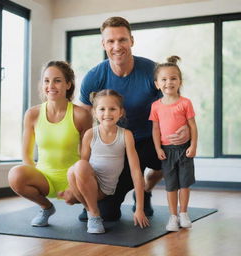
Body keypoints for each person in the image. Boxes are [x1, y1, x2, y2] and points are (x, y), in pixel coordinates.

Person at [77, 16, 190, 221]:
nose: (117, 46)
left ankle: (145, 190)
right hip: (116, 143)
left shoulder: (152, 71)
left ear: (132, 40)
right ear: (103, 44)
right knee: (108, 214)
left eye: (122, 40)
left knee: (173, 153)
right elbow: (86, 121)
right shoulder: (94, 77)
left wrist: (184, 129)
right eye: (110, 41)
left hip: (151, 138)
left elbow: (172, 106)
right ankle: (97, 204)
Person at [8, 61, 91, 227]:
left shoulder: (80, 114)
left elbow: (87, 155)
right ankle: (46, 207)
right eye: (46, 81)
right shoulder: (32, 114)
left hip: (73, 178)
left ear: (68, 84)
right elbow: (27, 155)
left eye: (57, 80)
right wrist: (31, 173)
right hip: (44, 179)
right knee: (15, 175)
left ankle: (91, 210)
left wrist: (75, 186)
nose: (51, 86)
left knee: (107, 211)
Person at [59, 89, 149, 233]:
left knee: (107, 212)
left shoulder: (126, 135)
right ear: (95, 112)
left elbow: (136, 171)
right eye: (102, 109)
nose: (107, 113)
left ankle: (89, 208)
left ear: (121, 112)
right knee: (74, 169)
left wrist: (139, 208)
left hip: (105, 189)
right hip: (89, 181)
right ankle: (93, 214)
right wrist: (72, 187)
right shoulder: (90, 134)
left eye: (112, 109)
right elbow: (82, 168)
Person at [149, 56, 198, 232]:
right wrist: (157, 148)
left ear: (180, 82)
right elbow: (155, 129)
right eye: (164, 79)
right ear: (157, 84)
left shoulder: (185, 103)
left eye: (173, 78)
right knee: (171, 185)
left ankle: (184, 213)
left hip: (184, 150)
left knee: (184, 184)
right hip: (167, 151)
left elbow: (192, 126)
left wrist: (193, 146)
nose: (168, 82)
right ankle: (173, 216)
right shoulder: (155, 106)